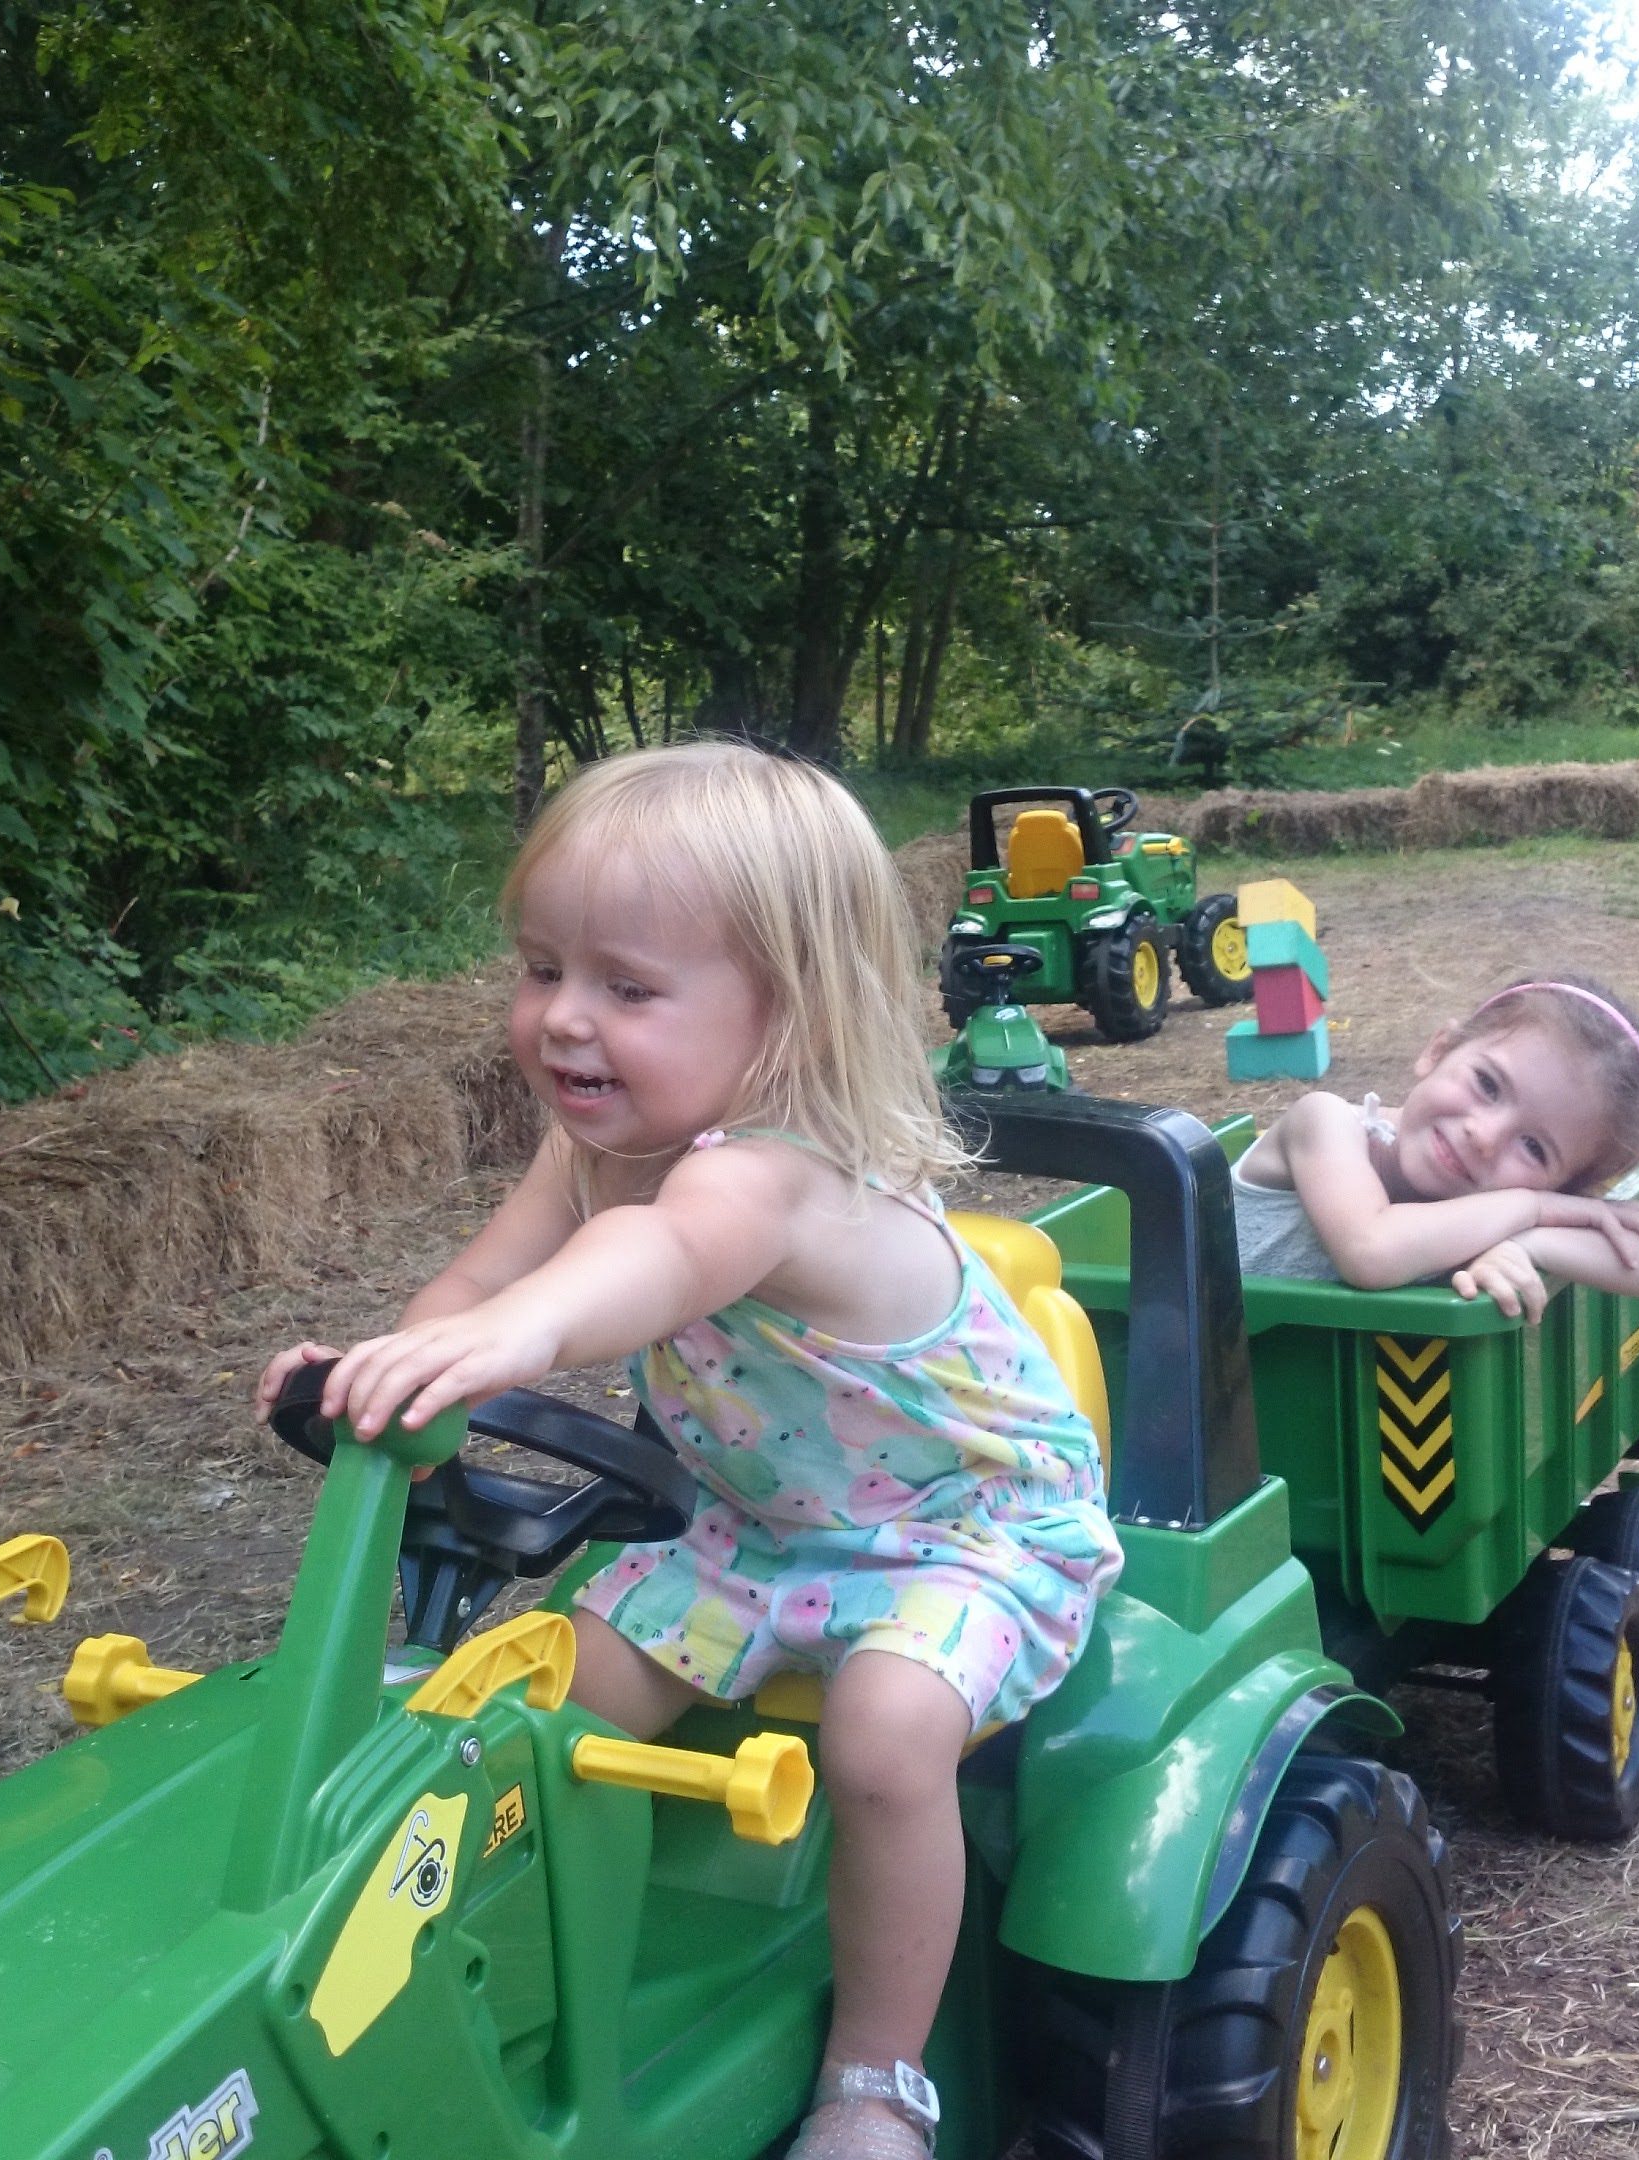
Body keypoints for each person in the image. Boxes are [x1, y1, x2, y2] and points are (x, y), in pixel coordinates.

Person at [255, 742, 1114, 2160]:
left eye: (628, 989)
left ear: (788, 1015)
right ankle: (524, 1972)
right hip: (754, 1530)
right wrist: (400, 1371)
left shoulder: (774, 1174)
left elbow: (650, 1262)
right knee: (547, 1699)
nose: (564, 1024)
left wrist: (522, 1342)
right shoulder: (591, 1150)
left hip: (965, 1531)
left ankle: (876, 2080)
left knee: (887, 1731)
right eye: (543, 971)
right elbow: (477, 1287)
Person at [1230, 972, 1639, 1312]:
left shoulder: (1491, 1213)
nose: (1484, 1136)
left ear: (1562, 1186)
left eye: (1535, 1149)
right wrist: (1533, 1207)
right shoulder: (1326, 1122)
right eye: (1488, 1085)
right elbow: (1368, 1250)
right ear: (1438, 1050)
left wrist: (1528, 1245)